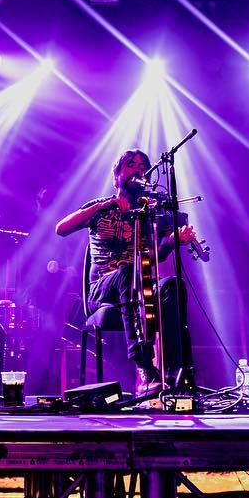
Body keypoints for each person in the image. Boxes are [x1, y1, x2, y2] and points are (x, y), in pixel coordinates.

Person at [54, 148, 198, 394]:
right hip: (102, 289)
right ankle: (144, 366)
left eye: (143, 167)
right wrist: (106, 204)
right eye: (131, 165)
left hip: (137, 286)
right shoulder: (101, 207)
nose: (138, 169)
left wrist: (173, 241)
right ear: (117, 173)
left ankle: (176, 370)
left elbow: (152, 258)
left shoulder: (149, 214)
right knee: (128, 274)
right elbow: (61, 228)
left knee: (173, 285)